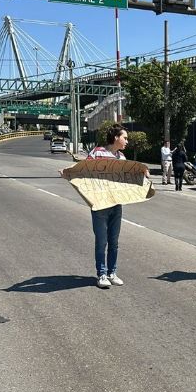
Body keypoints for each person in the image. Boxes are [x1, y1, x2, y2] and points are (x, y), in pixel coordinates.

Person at [87, 124, 130, 289]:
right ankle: (102, 274)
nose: (126, 141)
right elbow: (84, 171)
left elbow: (127, 179)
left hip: (116, 204)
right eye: (124, 137)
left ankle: (112, 272)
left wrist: (141, 173)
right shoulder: (97, 153)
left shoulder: (122, 158)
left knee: (114, 241)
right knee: (102, 241)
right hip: (100, 204)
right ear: (116, 138)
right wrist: (68, 172)